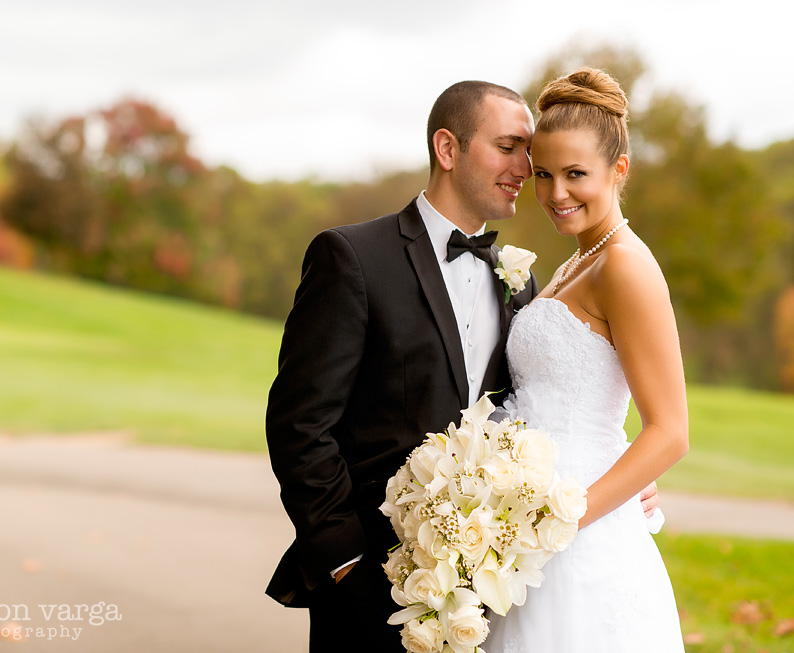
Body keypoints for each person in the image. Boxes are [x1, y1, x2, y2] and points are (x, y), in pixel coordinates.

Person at [265, 80, 658, 652]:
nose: (527, 168)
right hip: (371, 582)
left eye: (530, 151)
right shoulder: (352, 258)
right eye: (509, 147)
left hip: (488, 589)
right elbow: (299, 425)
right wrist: (346, 562)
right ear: (447, 150)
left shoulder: (520, 285)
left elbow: (535, 410)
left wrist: (625, 472)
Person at [485, 67, 688, 652]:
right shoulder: (578, 263)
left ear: (618, 170)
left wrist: (558, 522)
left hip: (579, 536)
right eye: (543, 174)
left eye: (576, 174)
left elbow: (671, 433)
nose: (555, 194)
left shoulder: (625, 265)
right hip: (527, 529)